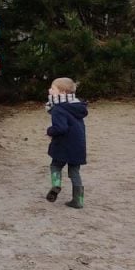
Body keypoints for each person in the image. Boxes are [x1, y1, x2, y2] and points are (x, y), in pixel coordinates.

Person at [44, 77, 88, 209]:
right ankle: (78, 200)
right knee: (74, 172)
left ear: (62, 93)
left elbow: (61, 128)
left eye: (52, 88)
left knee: (55, 166)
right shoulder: (77, 106)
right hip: (78, 145)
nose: (49, 90)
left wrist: (50, 131)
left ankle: (56, 185)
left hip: (63, 145)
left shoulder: (58, 108)